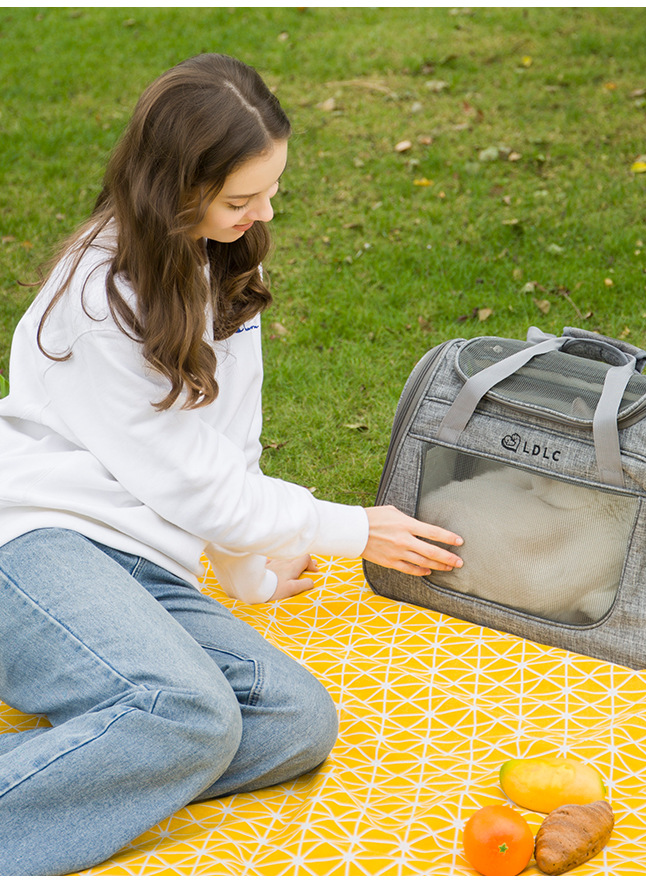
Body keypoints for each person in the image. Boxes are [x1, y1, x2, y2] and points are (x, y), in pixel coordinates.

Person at [0, 54, 463, 875]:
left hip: (141, 566)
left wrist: (245, 569)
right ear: (172, 189)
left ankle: (106, 756)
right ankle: (116, 748)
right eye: (240, 199)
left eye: (270, 191)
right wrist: (349, 529)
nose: (262, 214)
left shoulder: (222, 260)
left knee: (294, 722)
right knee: (187, 711)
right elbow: (189, 481)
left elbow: (226, 451)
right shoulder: (95, 295)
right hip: (33, 548)